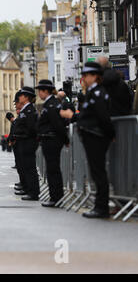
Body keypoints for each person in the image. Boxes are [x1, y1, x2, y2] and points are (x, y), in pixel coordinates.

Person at [61, 62, 115, 219]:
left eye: (86, 75)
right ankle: (99, 206)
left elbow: (102, 117)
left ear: (95, 76)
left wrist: (110, 133)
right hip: (91, 135)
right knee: (96, 172)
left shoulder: (97, 93)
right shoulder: (92, 92)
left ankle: (101, 207)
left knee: (98, 173)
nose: (83, 78)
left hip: (96, 136)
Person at [35, 80, 70, 208]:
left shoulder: (51, 104)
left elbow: (57, 124)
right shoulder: (50, 103)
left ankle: (56, 198)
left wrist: (65, 140)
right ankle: (55, 197)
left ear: (46, 91)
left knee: (53, 170)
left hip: (52, 139)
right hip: (49, 139)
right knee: (52, 169)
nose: (39, 93)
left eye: (40, 90)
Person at [12, 86, 40, 201]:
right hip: (23, 141)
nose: (20, 97)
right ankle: (29, 189)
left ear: (27, 97)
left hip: (27, 142)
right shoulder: (25, 109)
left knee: (30, 168)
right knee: (26, 167)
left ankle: (33, 192)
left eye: (22, 95)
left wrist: (23, 136)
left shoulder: (29, 110)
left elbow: (31, 128)